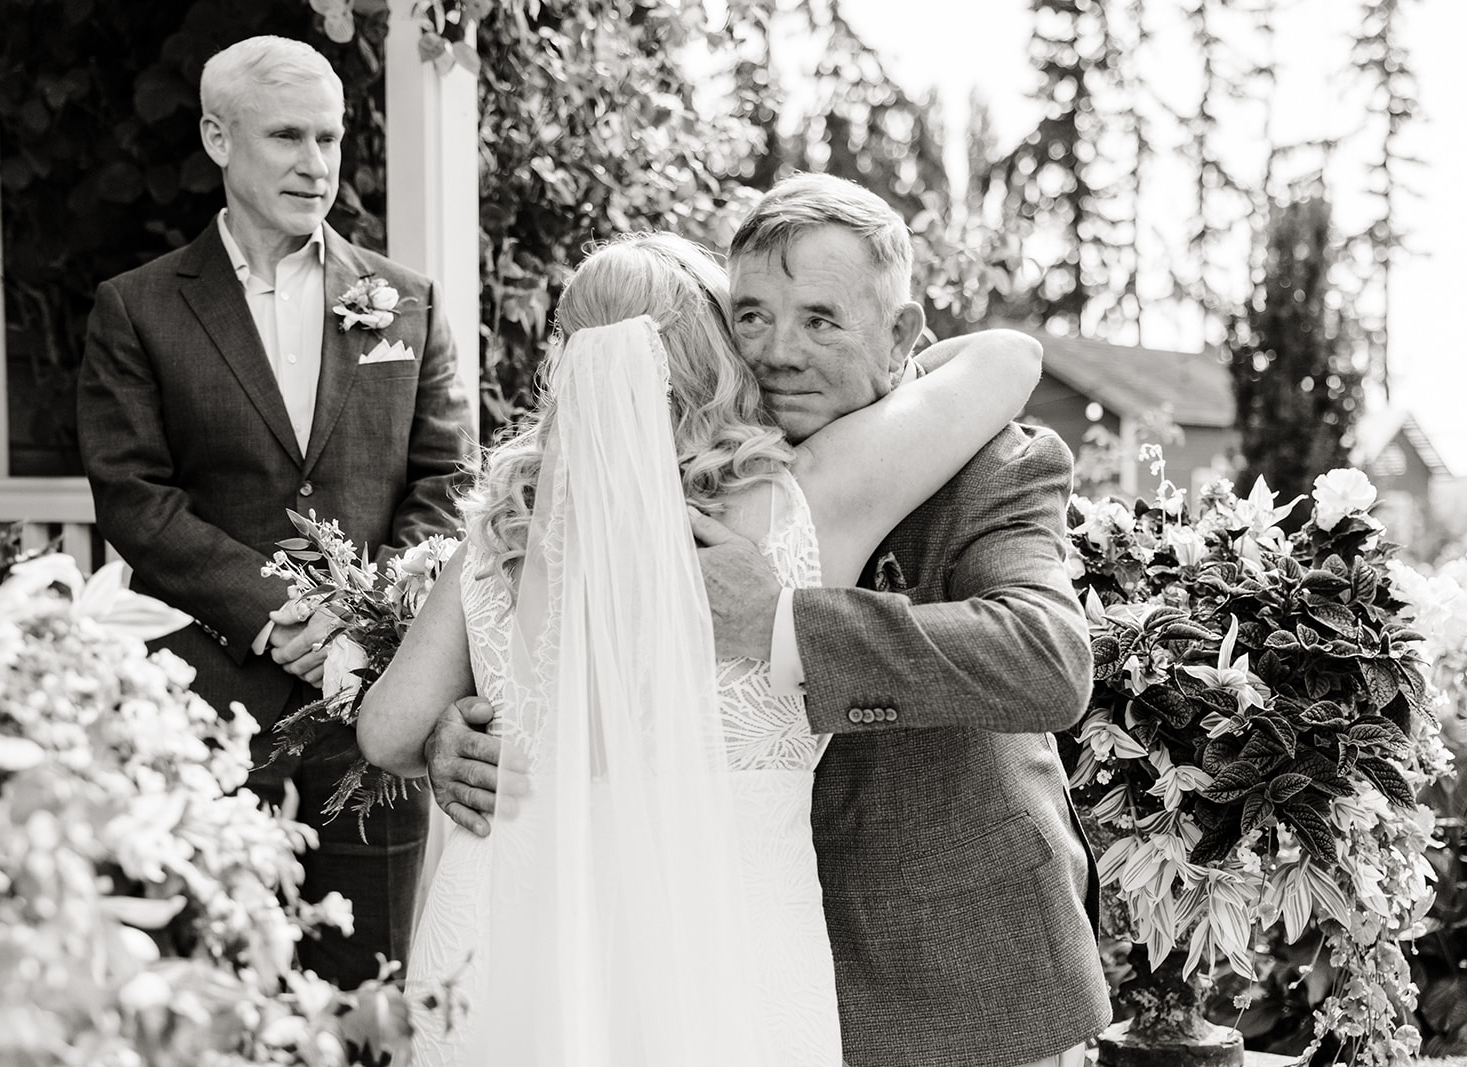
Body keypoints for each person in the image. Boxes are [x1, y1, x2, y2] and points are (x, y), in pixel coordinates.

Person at [424, 175, 1112, 1067]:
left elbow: (1048, 660)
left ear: (902, 334)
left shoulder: (993, 457)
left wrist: (788, 623)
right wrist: (465, 726)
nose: (779, 351)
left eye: (821, 319)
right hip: (727, 964)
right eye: (751, 316)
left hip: (948, 967)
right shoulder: (696, 466)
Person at [76, 35, 472, 990]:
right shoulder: (137, 310)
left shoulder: (405, 302)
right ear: (217, 136)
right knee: (209, 984)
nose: (317, 163)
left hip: (374, 712)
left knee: (368, 989)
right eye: (288, 135)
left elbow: (449, 481)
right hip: (202, 706)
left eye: (330, 137)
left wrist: (365, 615)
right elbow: (136, 499)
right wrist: (279, 610)